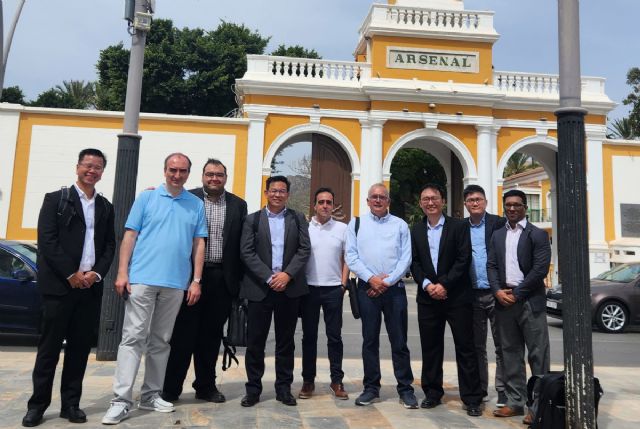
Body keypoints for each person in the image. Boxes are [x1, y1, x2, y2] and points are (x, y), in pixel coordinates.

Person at [102, 153, 207, 425]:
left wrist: (196, 280)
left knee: (161, 341)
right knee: (133, 338)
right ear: (165, 170)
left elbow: (198, 244)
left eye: (182, 170)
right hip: (142, 279)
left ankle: (150, 395)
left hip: (176, 283)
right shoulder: (146, 198)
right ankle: (121, 400)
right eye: (173, 169)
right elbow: (130, 236)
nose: (177, 175)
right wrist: (122, 272)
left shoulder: (195, 204)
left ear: (188, 173)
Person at [22, 148, 115, 427]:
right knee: (49, 349)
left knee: (78, 350)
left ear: (102, 172)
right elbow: (47, 242)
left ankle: (70, 404)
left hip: (89, 289)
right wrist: (71, 274)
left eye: (98, 167)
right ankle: (37, 405)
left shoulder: (105, 206)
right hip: (59, 289)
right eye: (88, 165)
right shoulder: (55, 200)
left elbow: (110, 245)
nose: (92, 171)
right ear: (77, 167)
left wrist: (96, 274)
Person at [162, 159, 247, 403]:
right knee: (182, 336)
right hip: (188, 277)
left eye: (219, 175)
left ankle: (205, 386)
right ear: (202, 176)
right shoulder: (187, 199)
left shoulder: (238, 205)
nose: (214, 179)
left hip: (222, 278)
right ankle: (171, 388)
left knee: (210, 337)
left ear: (225, 177)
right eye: (210, 174)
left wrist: (238, 284)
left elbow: (239, 246)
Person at [409, 183, 483, 417]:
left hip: (457, 297)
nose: (430, 202)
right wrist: (428, 285)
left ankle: (472, 398)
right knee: (431, 348)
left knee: (465, 348)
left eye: (434, 198)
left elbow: (463, 259)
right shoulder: (416, 230)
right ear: (421, 203)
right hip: (428, 298)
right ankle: (432, 392)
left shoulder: (459, 227)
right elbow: (415, 263)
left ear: (443, 201)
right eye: (425, 199)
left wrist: (444, 284)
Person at [239, 175, 310, 407]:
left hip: (288, 289)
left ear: (287, 194)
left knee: (285, 342)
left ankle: (283, 388)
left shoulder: (297, 218)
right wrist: (269, 277)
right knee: (256, 341)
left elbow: (304, 249)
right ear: (266, 192)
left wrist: (287, 275)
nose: (277, 194)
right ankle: (253, 390)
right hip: (261, 288)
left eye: (282, 191)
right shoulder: (252, 220)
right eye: (273, 190)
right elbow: (247, 252)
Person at [345, 183, 418, 409]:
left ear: (388, 201)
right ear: (368, 201)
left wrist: (386, 281)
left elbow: (406, 258)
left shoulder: (400, 225)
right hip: (367, 290)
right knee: (370, 341)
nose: (378, 200)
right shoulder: (356, 224)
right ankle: (371, 388)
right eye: (374, 197)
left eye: (382, 197)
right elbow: (351, 256)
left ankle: (405, 389)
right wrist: (372, 279)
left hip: (394, 291)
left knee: (399, 342)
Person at [488, 190, 551, 423]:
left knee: (538, 355)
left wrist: (517, 293)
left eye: (516, 205)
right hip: (504, 301)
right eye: (508, 205)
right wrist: (496, 291)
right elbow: (491, 266)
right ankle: (515, 402)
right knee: (510, 354)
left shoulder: (538, 235)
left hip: (529, 301)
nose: (512, 209)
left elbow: (539, 270)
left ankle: (537, 406)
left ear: (525, 207)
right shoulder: (497, 235)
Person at [298, 187, 349, 400]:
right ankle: (308, 381)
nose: (325, 206)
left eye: (329, 202)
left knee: (334, 337)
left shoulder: (343, 228)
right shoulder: (305, 228)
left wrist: (343, 284)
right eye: (321, 202)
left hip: (333, 289)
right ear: (315, 205)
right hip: (309, 289)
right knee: (309, 337)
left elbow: (348, 256)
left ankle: (336, 380)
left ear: (333, 205)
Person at [463, 184, 507, 407]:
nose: (475, 203)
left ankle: (502, 390)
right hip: (471, 295)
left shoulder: (498, 223)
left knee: (502, 344)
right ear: (465, 204)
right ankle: (480, 389)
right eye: (470, 200)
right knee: (477, 346)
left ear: (486, 202)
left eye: (478, 199)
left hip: (496, 292)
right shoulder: (461, 227)